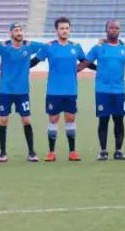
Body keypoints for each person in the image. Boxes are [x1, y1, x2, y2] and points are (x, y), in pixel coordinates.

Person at [0, 22, 43, 162]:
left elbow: (47, 47)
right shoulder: (3, 46)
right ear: (10, 33)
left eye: (20, 30)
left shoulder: (29, 46)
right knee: (3, 120)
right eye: (16, 30)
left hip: (22, 91)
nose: (19, 33)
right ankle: (2, 153)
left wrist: (34, 61)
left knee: (26, 120)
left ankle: (31, 152)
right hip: (5, 90)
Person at [34, 17, 89, 161]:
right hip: (53, 90)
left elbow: (85, 62)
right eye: (62, 28)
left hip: (71, 90)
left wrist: (100, 69)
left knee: (70, 118)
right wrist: (18, 66)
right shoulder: (49, 47)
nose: (65, 31)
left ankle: (72, 151)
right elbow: (34, 61)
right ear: (56, 30)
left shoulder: (76, 47)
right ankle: (51, 152)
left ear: (70, 30)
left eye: (67, 28)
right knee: (53, 119)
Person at [84, 19, 125, 160]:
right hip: (102, 90)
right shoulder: (98, 48)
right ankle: (103, 151)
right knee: (103, 120)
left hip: (119, 91)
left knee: (119, 120)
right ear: (106, 29)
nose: (114, 30)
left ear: (120, 30)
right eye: (111, 28)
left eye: (117, 28)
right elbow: (85, 63)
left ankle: (118, 151)